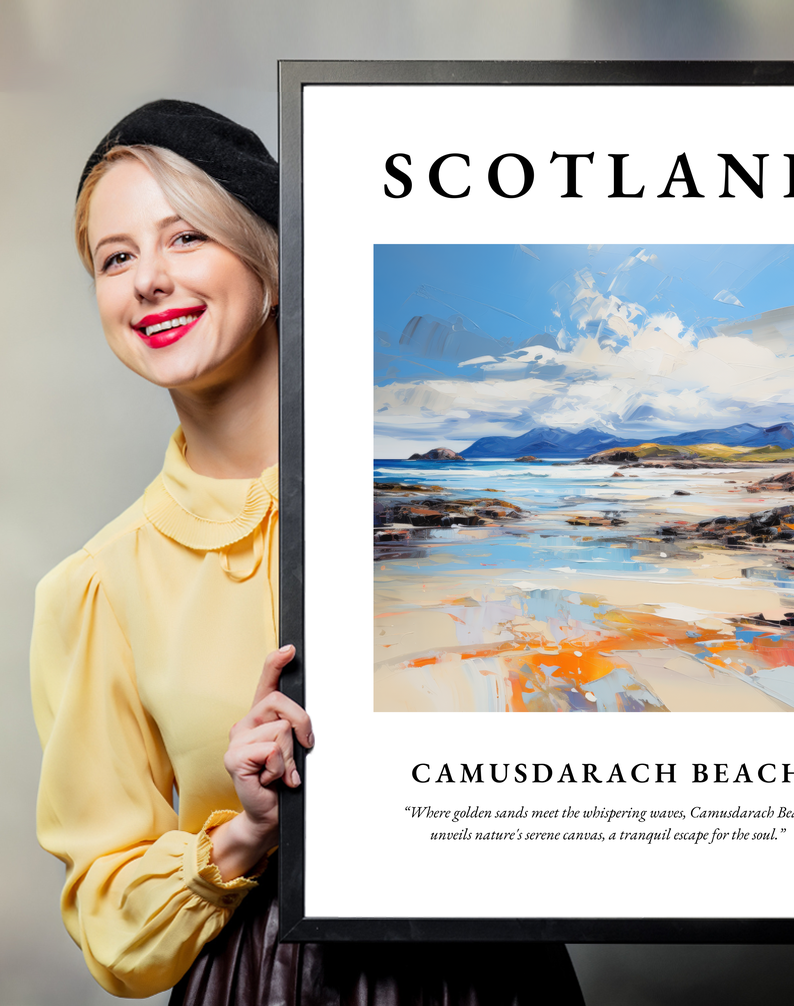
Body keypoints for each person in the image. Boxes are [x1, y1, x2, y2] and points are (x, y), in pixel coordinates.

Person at [30, 100, 585, 1004]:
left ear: (273, 264)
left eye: (186, 239)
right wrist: (245, 832)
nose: (148, 281)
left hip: (493, 974)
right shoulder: (97, 587)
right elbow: (110, 924)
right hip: (263, 982)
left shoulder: (444, 511)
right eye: (116, 257)